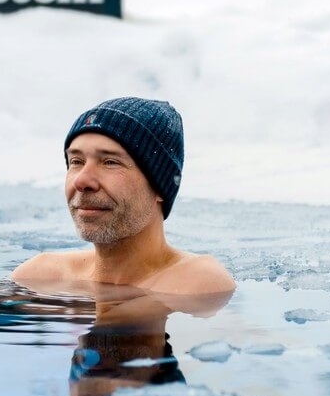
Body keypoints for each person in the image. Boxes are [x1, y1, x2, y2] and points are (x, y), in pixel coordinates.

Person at [12, 97, 235, 299]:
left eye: (110, 162)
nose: (81, 181)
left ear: (159, 187)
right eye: (76, 162)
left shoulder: (198, 281)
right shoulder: (40, 274)